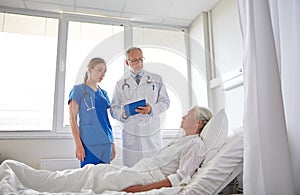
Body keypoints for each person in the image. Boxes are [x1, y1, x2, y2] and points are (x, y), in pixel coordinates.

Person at [0, 106, 212, 194]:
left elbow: (181, 177)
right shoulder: (183, 140)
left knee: (91, 174)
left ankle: (28, 182)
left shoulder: (195, 144)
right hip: (136, 171)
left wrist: (142, 189)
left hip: (142, 178)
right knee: (90, 172)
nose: (183, 116)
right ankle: (26, 177)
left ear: (199, 122)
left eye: (189, 114)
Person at [110, 47, 170, 167]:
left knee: (153, 170)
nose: (138, 63)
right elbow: (113, 108)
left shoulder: (156, 79)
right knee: (132, 173)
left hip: (151, 133)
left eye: (140, 59)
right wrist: (122, 114)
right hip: (132, 134)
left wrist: (151, 109)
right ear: (127, 62)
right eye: (134, 60)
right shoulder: (120, 83)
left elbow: (165, 102)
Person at [68, 57, 115, 167]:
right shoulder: (78, 90)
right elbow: (72, 119)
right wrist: (79, 145)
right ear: (90, 69)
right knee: (88, 180)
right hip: (89, 143)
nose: (102, 74)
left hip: (106, 143)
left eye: (104, 71)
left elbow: (106, 120)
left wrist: (112, 142)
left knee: (104, 180)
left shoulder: (104, 93)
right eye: (99, 70)